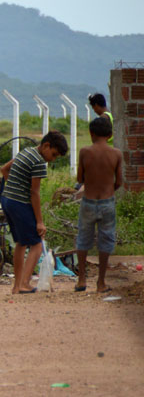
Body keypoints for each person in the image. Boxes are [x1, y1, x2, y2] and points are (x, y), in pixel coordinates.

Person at [0, 131, 68, 294]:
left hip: (7, 200)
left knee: (21, 244)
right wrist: (40, 221)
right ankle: (24, 283)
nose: (53, 159)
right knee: (36, 244)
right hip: (19, 203)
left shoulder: (26, 151)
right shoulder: (38, 162)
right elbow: (34, 193)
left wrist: (16, 184)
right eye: (54, 154)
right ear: (46, 146)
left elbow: (4, 169)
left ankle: (16, 286)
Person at [75, 117, 123, 293]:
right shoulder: (116, 153)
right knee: (106, 240)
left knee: (83, 239)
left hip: (88, 201)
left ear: (91, 133)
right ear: (110, 135)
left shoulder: (85, 151)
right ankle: (101, 282)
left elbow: (80, 178)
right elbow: (119, 181)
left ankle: (81, 280)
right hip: (107, 202)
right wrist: (109, 189)